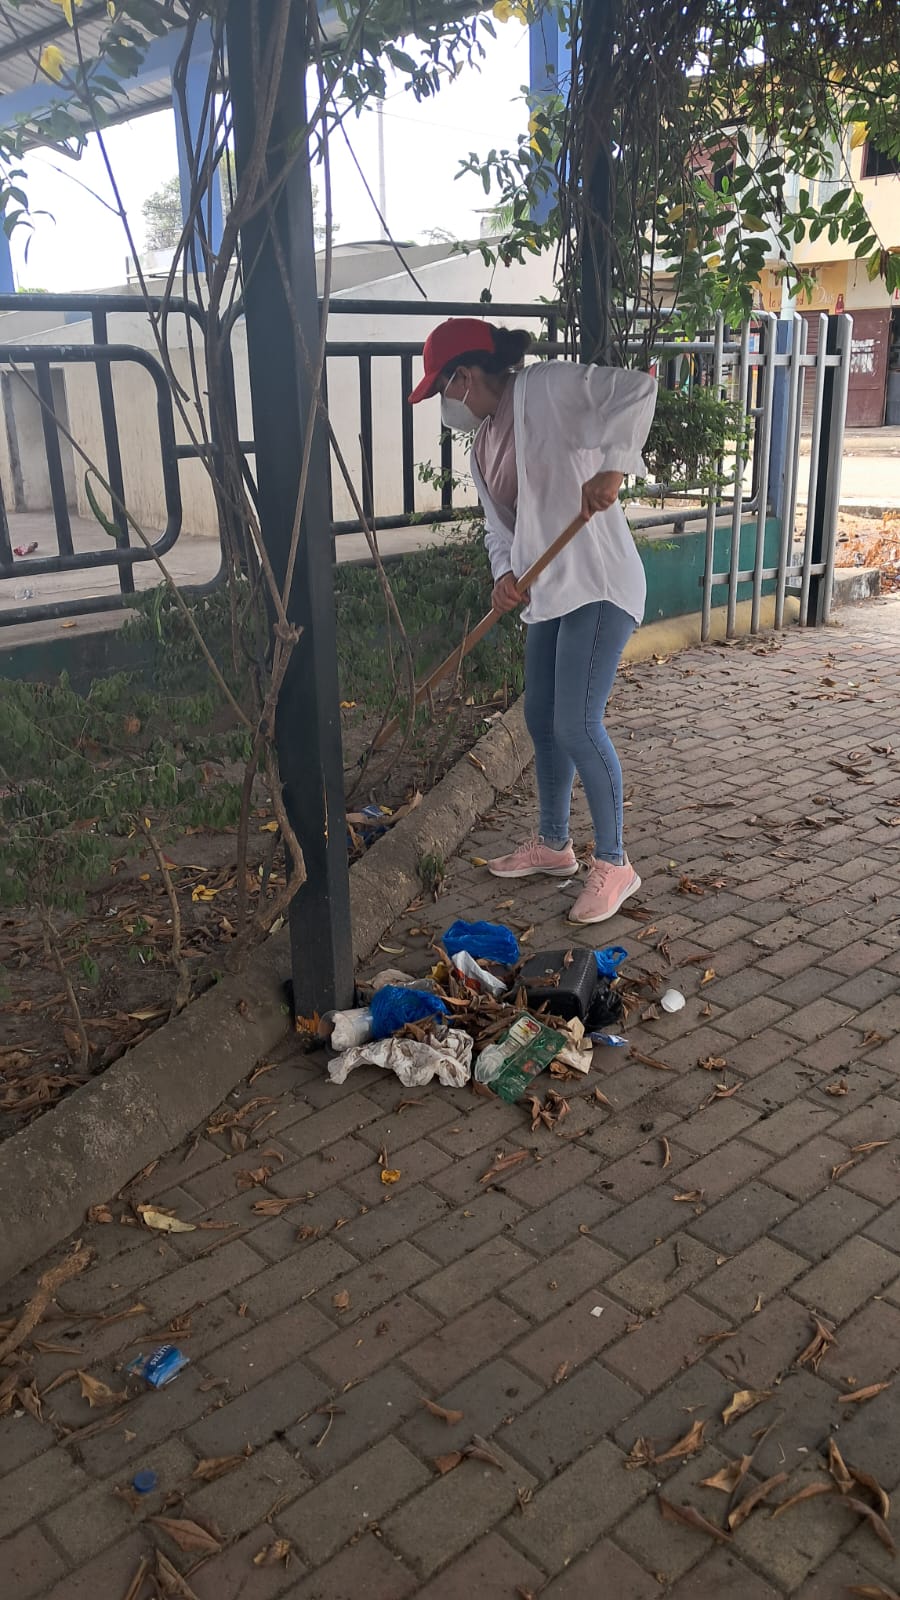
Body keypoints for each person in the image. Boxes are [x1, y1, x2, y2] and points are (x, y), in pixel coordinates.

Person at [409, 317, 657, 925]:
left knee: (576, 724)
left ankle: (615, 863)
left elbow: (636, 390)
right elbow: (502, 530)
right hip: (548, 591)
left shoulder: (544, 387)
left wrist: (614, 468)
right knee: (540, 717)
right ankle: (553, 844)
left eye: (442, 387)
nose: (444, 402)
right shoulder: (481, 448)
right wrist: (503, 574)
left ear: (466, 376)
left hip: (597, 583)